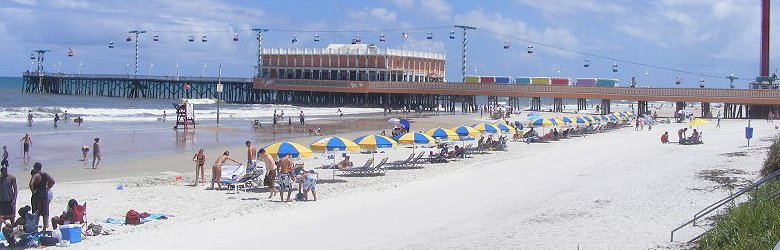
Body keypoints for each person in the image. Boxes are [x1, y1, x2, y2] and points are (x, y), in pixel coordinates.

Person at [29, 162, 55, 230]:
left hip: (37, 195)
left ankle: (35, 228)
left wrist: (33, 191)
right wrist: (47, 188)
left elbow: (31, 184)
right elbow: (52, 181)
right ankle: (44, 229)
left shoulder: (36, 175)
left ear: (35, 168)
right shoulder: (45, 174)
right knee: (45, 212)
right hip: (44, 195)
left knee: (36, 212)